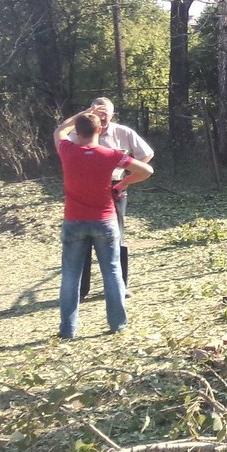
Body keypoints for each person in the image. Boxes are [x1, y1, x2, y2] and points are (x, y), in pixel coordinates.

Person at [54, 112, 153, 339]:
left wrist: (79, 115)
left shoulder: (67, 150)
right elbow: (147, 170)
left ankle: (67, 329)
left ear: (77, 133)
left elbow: (59, 131)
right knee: (112, 272)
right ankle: (117, 324)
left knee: (70, 276)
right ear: (100, 131)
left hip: (74, 221)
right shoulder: (111, 155)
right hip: (104, 221)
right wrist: (122, 184)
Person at [73, 97, 154, 300]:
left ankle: (120, 286)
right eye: (97, 112)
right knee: (84, 239)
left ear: (112, 114)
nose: (102, 116)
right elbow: (61, 136)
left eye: (105, 113)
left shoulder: (123, 132)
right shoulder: (80, 133)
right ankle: (81, 290)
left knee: (117, 237)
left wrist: (127, 178)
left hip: (115, 189)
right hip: (85, 191)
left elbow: (147, 154)